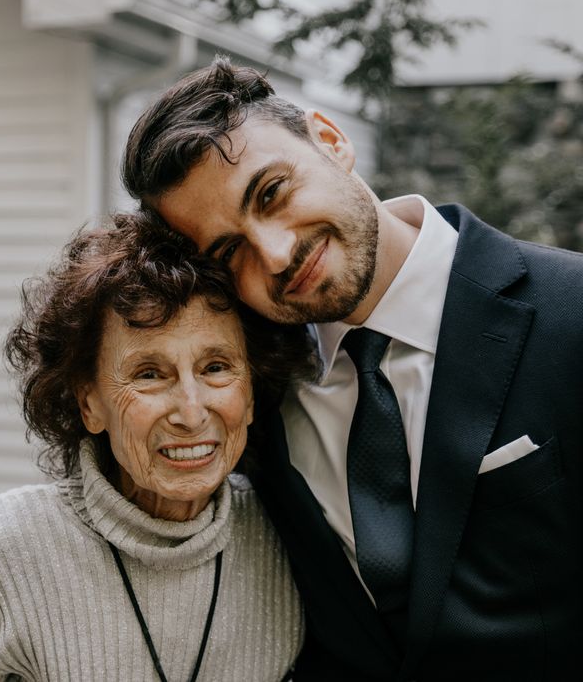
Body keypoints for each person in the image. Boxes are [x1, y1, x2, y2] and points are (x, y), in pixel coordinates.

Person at [121, 57, 583, 681]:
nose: (277, 253)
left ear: (332, 142)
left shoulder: (571, 312)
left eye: (272, 194)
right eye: (229, 251)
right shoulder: (252, 385)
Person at [0, 213, 309, 681]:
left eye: (216, 367)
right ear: (89, 404)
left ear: (249, 396)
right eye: (149, 374)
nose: (191, 411)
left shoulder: (294, 535)